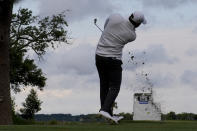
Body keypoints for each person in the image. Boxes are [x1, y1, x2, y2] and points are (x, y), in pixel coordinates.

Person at [95, 11, 147, 123]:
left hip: (99, 56)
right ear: (137, 24)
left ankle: (108, 114)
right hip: (113, 60)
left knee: (104, 85)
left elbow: (106, 26)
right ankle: (104, 109)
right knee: (114, 87)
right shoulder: (132, 35)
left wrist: (108, 33)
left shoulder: (115, 17)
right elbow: (129, 30)